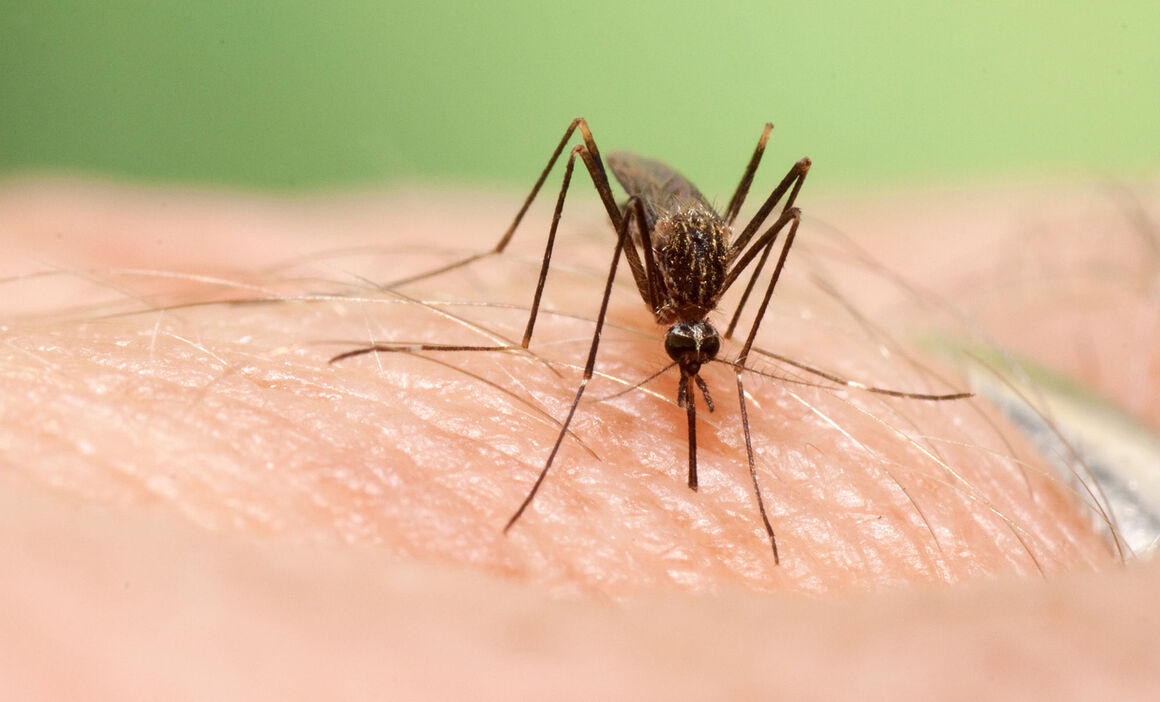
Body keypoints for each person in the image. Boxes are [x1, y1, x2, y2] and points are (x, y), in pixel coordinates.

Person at [1, 177, 1156, 698]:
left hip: (703, 243)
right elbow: (634, 241)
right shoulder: (660, 275)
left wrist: (738, 350)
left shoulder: (707, 307)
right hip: (672, 224)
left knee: (784, 183)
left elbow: (769, 227)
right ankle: (481, 282)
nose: (687, 356)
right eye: (695, 343)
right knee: (589, 153)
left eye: (701, 342)